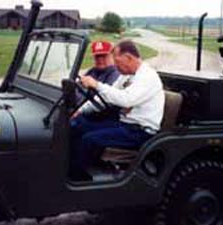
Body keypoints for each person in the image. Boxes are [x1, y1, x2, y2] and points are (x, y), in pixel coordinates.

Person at [69, 40, 165, 181]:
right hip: (125, 125)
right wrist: (80, 111)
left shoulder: (148, 76)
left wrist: (96, 84)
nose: (116, 66)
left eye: (118, 62)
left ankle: (77, 179)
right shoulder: (126, 76)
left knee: (89, 140)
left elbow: (126, 99)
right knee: (78, 124)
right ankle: (71, 167)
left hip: (140, 131)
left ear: (128, 58)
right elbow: (106, 97)